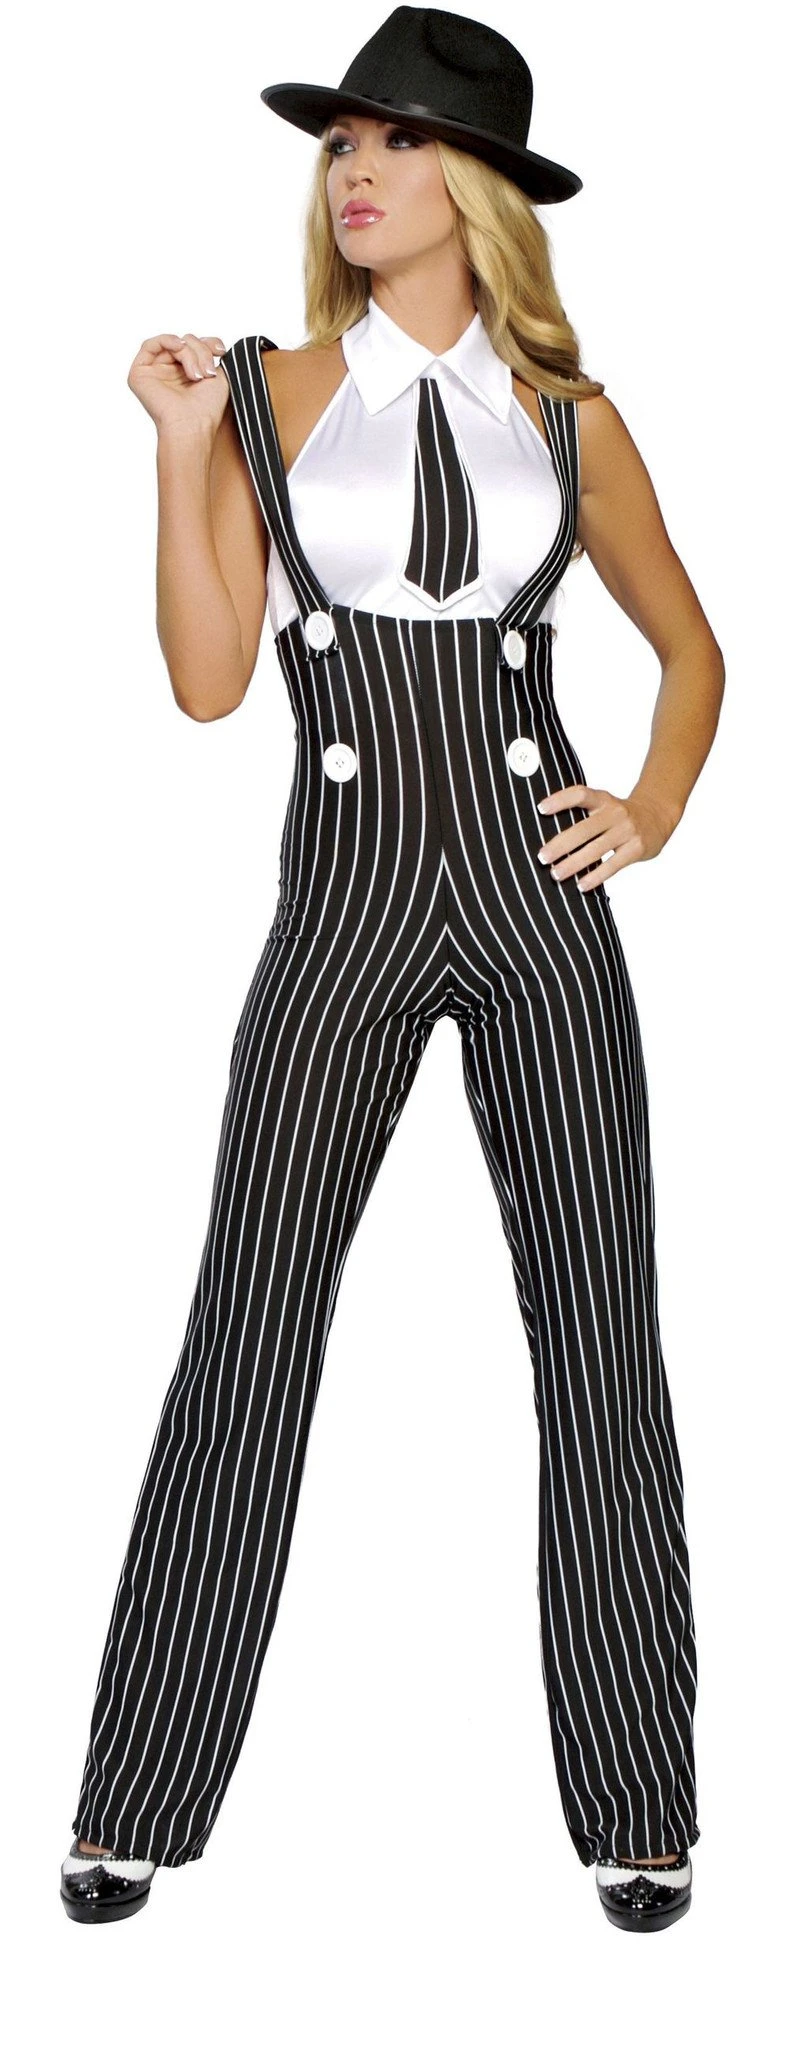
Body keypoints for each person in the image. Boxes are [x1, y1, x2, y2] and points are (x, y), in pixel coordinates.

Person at [61, 5, 724, 1931]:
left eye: (401, 144)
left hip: (536, 898)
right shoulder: (260, 393)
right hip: (341, 893)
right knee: (250, 1329)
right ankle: (134, 1801)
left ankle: (639, 1808)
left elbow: (693, 650)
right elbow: (206, 686)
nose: (358, 175)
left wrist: (650, 809)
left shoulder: (569, 417)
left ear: (483, 188)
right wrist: (177, 449)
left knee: (599, 1339)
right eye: (341, 146)